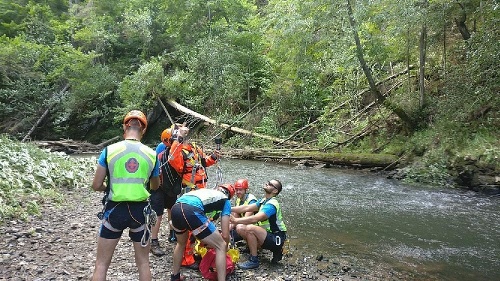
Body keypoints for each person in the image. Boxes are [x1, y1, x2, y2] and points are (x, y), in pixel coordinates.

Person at [91, 110, 160, 281]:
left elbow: (96, 185)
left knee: (101, 264)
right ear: (143, 130)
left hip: (115, 209)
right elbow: (155, 186)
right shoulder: (152, 154)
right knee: (143, 263)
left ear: (125, 126)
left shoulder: (109, 151)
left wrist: (109, 187)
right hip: (140, 212)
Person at [167, 123, 220, 268]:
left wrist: (213, 157)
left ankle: (195, 251)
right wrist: (179, 137)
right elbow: (172, 159)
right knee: (190, 227)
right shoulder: (178, 150)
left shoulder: (195, 148)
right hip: (190, 193)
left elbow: (204, 162)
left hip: (201, 192)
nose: (190, 136)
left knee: (200, 224)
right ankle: (186, 260)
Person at [169, 184, 235, 281]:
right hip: (191, 211)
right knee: (220, 245)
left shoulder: (207, 192)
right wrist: (226, 244)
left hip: (176, 209)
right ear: (229, 195)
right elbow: (225, 234)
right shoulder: (226, 200)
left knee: (181, 243)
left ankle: (175, 277)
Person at [230, 179, 287, 270]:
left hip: (277, 238)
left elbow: (255, 218)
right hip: (268, 235)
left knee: (249, 228)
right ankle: (255, 248)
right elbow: (247, 207)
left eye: (270, 184)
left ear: (275, 191)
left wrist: (235, 220)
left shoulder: (271, 204)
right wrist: (229, 208)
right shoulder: (264, 200)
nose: (267, 184)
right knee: (241, 228)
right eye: (267, 182)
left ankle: (254, 260)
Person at [149, 127, 181, 256]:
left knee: (172, 209)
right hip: (159, 186)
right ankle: (154, 240)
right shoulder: (161, 149)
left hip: (171, 185)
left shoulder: (178, 148)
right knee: (158, 214)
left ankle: (172, 233)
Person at [230, 179, 257, 243]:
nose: (238, 192)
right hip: (244, 224)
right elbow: (235, 215)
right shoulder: (238, 199)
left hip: (254, 227)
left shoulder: (251, 201)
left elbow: (245, 220)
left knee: (238, 228)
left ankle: (255, 245)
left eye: (240, 190)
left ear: (245, 190)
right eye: (236, 190)